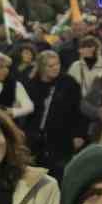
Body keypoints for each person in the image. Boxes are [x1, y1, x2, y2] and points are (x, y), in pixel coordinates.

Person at [21, 49, 84, 177]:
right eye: (51, 66)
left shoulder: (68, 83)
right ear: (42, 67)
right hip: (36, 140)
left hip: (62, 138)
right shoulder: (30, 85)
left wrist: (79, 134)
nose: (56, 68)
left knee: (61, 175)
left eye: (57, 64)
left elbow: (78, 110)